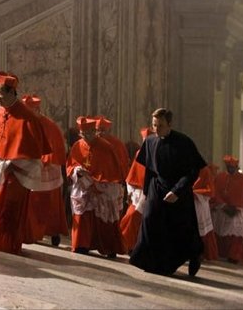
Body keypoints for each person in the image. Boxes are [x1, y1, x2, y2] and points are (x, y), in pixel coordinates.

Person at [129, 108, 207, 277]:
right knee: (150, 221)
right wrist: (146, 193)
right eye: (154, 125)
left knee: (180, 229)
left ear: (170, 124)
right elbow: (149, 169)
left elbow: (192, 172)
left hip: (179, 190)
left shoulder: (184, 142)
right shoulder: (150, 141)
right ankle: (153, 263)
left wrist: (177, 191)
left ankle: (195, 255)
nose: (156, 129)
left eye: (161, 125)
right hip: (157, 187)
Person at [0, 72, 47, 255]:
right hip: (1, 168)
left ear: (11, 93)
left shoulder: (27, 117)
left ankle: (7, 243)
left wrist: (13, 163)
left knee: (10, 208)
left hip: (17, 173)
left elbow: (32, 152)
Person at [67, 116, 126, 258]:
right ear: (80, 134)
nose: (88, 137)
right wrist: (77, 171)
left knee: (104, 218)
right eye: (84, 134)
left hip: (102, 187)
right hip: (84, 187)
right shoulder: (77, 146)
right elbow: (71, 164)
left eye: (90, 133)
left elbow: (112, 170)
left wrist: (97, 182)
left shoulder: (106, 147)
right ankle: (82, 244)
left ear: (95, 132)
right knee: (83, 217)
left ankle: (108, 247)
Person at [23, 94, 68, 246]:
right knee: (31, 203)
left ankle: (53, 231)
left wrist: (43, 161)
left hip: (47, 169)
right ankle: (31, 231)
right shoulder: (25, 122)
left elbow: (54, 147)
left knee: (49, 203)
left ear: (38, 109)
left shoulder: (49, 125)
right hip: (31, 167)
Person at [211, 155, 243, 263]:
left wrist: (235, 208)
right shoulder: (220, 177)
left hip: (238, 211)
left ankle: (234, 256)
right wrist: (223, 205)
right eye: (228, 167)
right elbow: (215, 192)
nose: (230, 169)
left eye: (232, 167)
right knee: (220, 231)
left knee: (236, 232)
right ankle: (220, 253)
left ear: (236, 166)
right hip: (222, 208)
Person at [119, 127, 150, 252]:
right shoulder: (139, 153)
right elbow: (132, 175)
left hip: (150, 193)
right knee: (131, 217)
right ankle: (127, 244)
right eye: (144, 140)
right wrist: (130, 191)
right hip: (138, 193)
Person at [192, 165, 219, 261]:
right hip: (188, 202)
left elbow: (209, 190)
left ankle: (200, 253)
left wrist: (195, 193)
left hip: (199, 204)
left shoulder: (205, 171)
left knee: (200, 231)